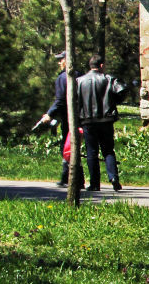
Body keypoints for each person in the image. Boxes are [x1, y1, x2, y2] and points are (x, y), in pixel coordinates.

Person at [75, 54, 126, 191]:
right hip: (106, 119)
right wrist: (114, 101)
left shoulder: (79, 81)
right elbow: (122, 90)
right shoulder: (108, 79)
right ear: (101, 65)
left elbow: (75, 100)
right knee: (108, 150)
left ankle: (95, 183)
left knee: (91, 152)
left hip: (87, 120)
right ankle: (113, 177)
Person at [38, 52, 79, 187]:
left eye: (61, 60)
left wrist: (50, 114)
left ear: (67, 61)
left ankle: (67, 177)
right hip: (80, 116)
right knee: (75, 146)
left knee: (67, 147)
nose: (59, 63)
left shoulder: (63, 78)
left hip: (68, 117)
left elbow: (60, 100)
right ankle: (78, 179)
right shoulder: (80, 75)